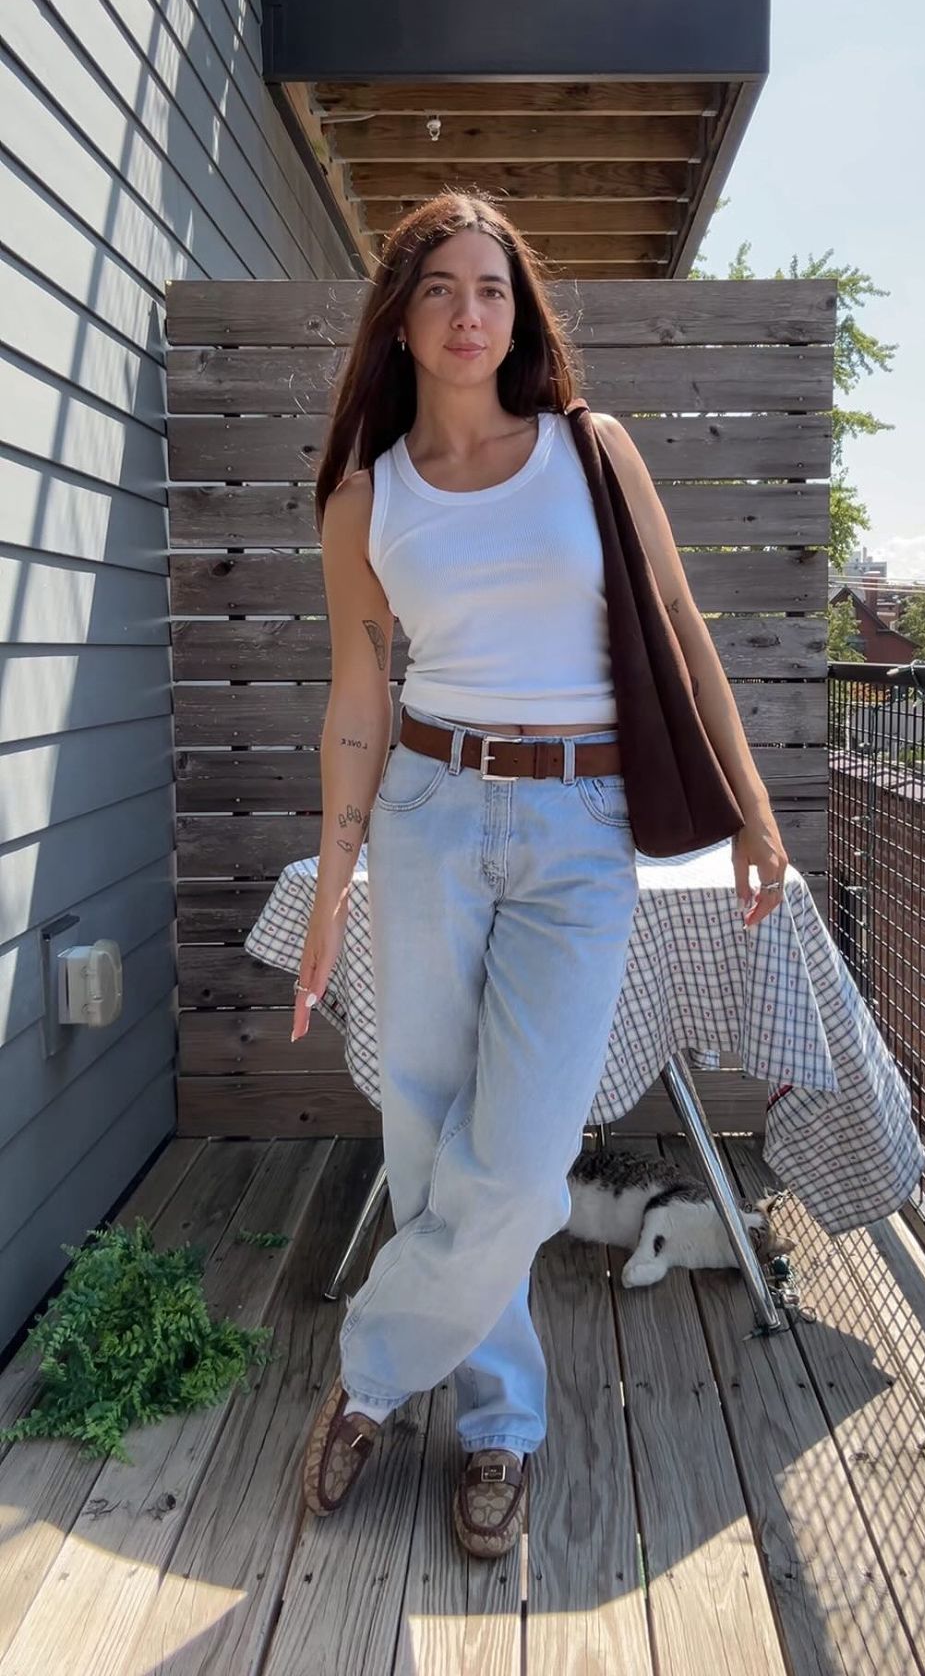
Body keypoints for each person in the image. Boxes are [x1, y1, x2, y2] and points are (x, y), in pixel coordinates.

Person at [291, 192, 789, 1554]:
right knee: (425, 1137)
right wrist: (333, 880)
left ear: (520, 315)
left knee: (516, 1161)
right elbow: (357, 698)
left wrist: (752, 808)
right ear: (401, 318)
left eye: (493, 289)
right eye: (440, 288)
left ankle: (370, 1375)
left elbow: (679, 623)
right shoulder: (367, 496)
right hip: (430, 812)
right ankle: (502, 1425)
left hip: (581, 826)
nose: (470, 312)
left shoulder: (590, 449)